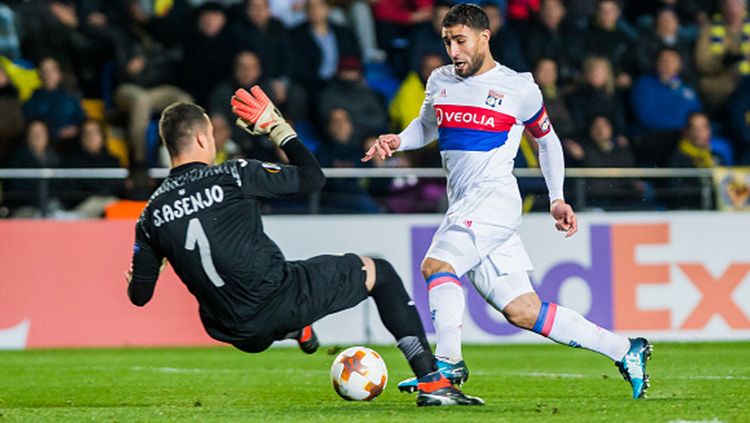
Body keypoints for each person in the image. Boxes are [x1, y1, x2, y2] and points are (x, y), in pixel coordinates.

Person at [125, 86, 483, 407]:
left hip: (233, 329)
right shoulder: (232, 174)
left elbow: (139, 297)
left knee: (234, 312)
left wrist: (145, 270)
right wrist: (276, 127)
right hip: (281, 298)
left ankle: (297, 329)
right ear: (204, 140)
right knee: (380, 272)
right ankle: (432, 382)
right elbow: (313, 178)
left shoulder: (151, 216)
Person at [362, 3, 652, 400]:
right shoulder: (440, 79)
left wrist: (557, 198)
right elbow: (427, 125)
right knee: (522, 310)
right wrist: (398, 141)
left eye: (460, 41)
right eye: (448, 42)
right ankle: (626, 350)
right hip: (465, 203)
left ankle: (445, 367)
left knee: (438, 265)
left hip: (493, 200)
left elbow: (547, 141)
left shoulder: (518, 87)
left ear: (485, 37)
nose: (453, 51)